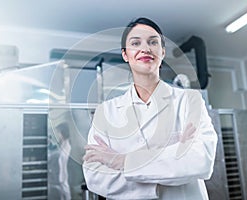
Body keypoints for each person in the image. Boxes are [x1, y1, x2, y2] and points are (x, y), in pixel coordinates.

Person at [82, 17, 217, 200]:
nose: (145, 48)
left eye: (153, 42)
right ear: (125, 54)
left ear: (162, 52)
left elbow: (200, 161)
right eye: (135, 43)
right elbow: (96, 176)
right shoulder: (106, 112)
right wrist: (172, 158)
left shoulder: (190, 101)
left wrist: (122, 161)